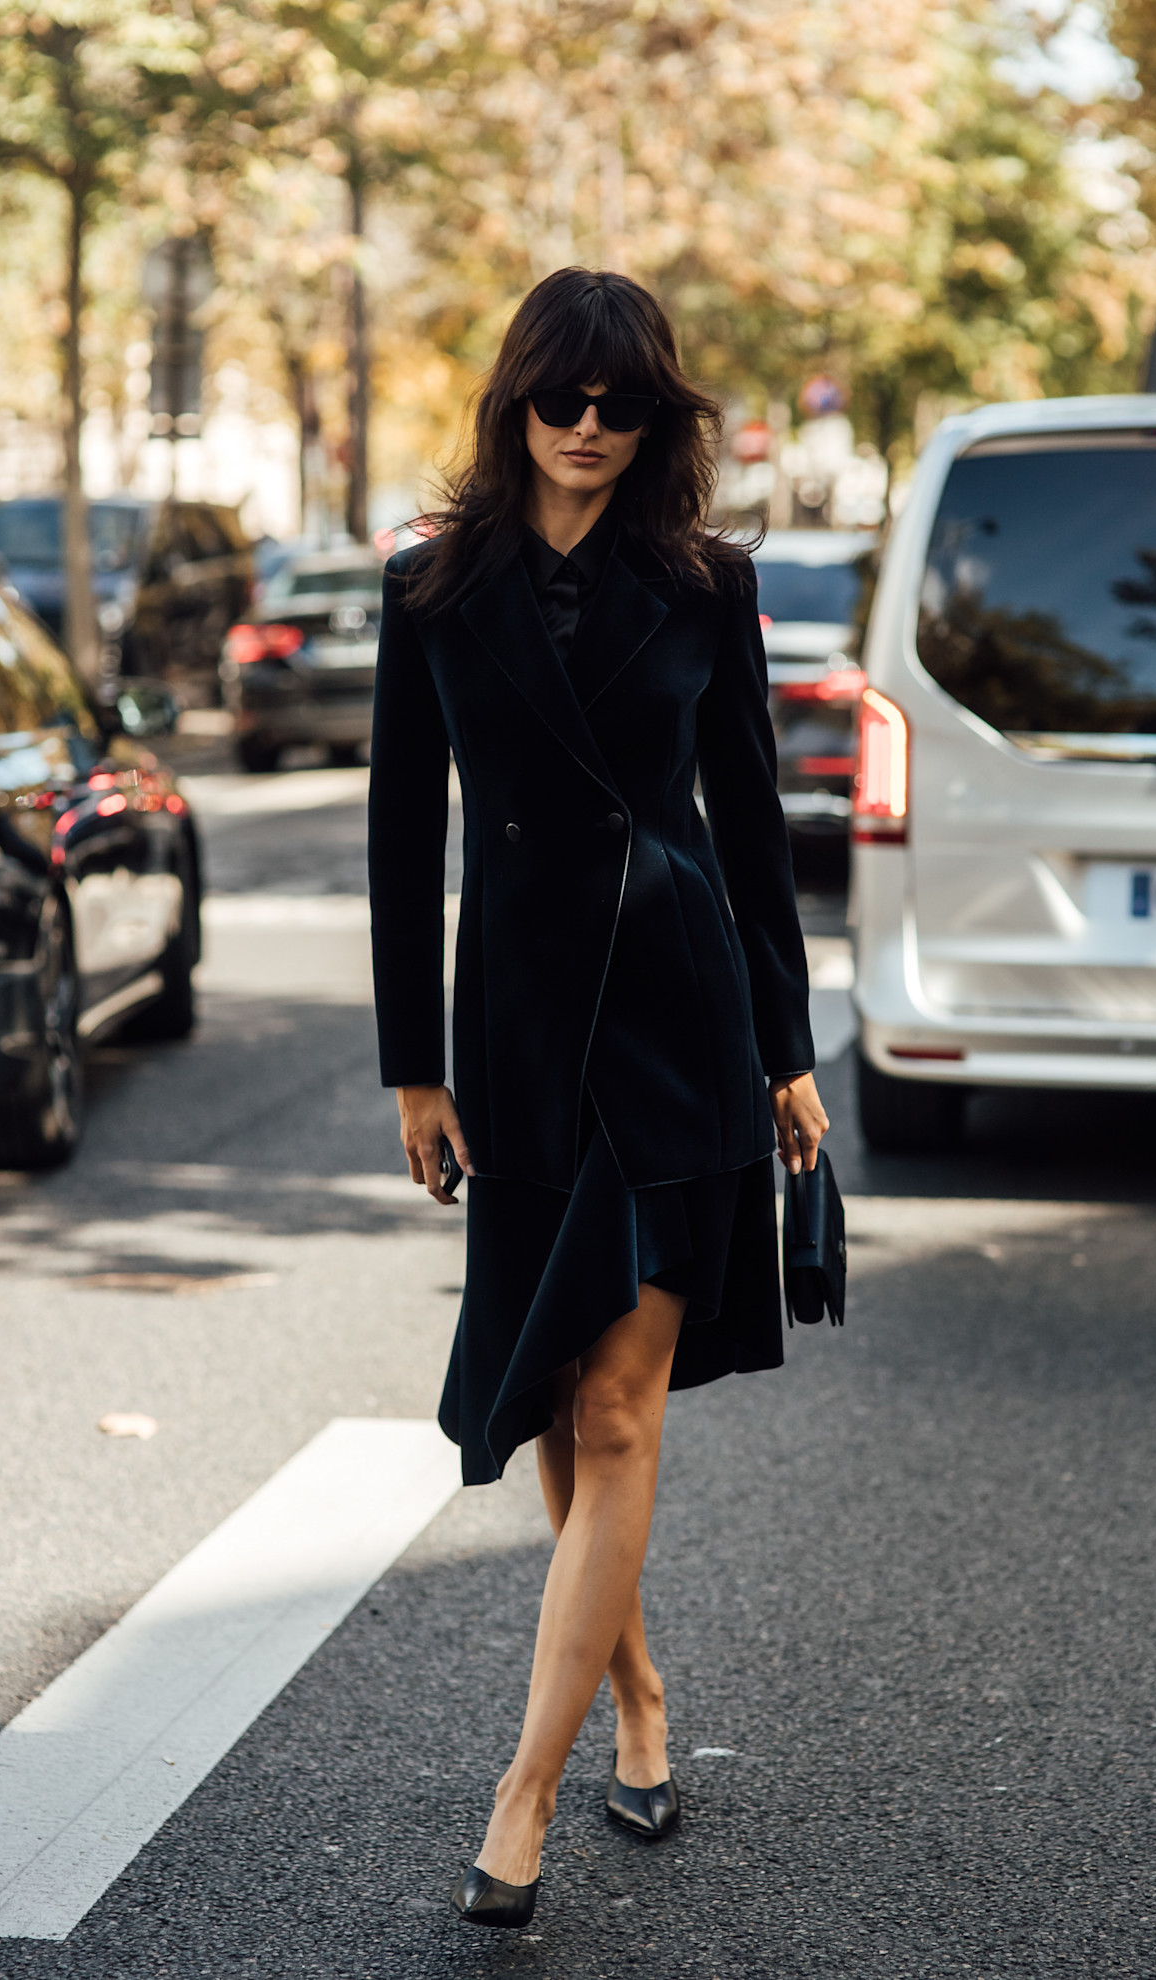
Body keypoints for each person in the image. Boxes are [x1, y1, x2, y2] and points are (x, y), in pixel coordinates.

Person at [367, 267, 828, 1931]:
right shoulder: (431, 587)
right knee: (562, 1397)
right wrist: (413, 1068)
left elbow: (753, 829)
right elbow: (401, 831)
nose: (586, 427)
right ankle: (635, 1691)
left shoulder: (707, 585)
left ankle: (525, 1799)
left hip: (679, 1017)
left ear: (657, 417)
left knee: (622, 1411)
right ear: (515, 403)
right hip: (515, 1032)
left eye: (620, 404)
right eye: (560, 399)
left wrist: (788, 1049)